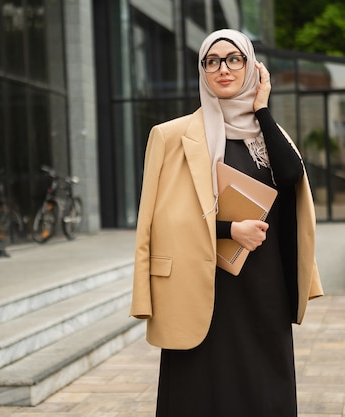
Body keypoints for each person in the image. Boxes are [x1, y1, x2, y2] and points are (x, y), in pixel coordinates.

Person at [130, 29, 323, 417]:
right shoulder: (171, 137)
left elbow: (291, 178)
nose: (223, 68)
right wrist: (229, 230)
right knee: (199, 392)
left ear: (252, 66)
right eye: (212, 60)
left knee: (263, 389)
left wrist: (261, 109)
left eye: (234, 59)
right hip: (201, 281)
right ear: (202, 70)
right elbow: (156, 222)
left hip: (264, 287)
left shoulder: (271, 134)